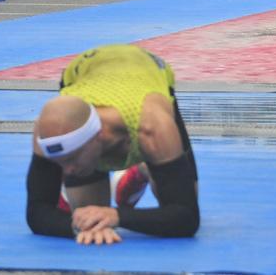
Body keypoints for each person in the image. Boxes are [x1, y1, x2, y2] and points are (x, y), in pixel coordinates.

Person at [26, 44, 199, 244]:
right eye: (59, 162)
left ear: (98, 136)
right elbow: (36, 212)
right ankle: (130, 173)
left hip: (146, 74)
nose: (67, 171)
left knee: (178, 197)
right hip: (86, 71)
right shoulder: (49, 130)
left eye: (72, 159)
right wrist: (75, 225)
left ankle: (146, 168)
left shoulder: (153, 127)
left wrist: (118, 215)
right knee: (91, 220)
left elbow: (187, 218)